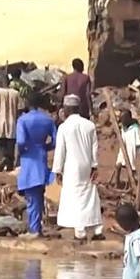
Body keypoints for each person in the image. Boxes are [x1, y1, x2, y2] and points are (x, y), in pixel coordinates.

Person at [52, 94, 104, 241]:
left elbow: (60, 150)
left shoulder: (64, 127)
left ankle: (80, 232)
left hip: (72, 166)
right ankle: (97, 229)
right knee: (90, 195)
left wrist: (57, 170)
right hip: (87, 164)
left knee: (75, 197)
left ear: (67, 109)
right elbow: (95, 148)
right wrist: (94, 166)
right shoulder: (89, 125)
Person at [16, 92, 57, 238]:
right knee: (38, 195)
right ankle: (36, 227)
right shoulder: (47, 119)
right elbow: (55, 140)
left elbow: (20, 141)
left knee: (32, 197)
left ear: (28, 104)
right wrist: (44, 147)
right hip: (41, 157)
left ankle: (34, 230)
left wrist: (23, 150)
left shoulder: (23, 120)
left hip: (29, 159)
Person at [0, 76, 23, 172]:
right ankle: (9, 165)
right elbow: (21, 107)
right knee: (10, 143)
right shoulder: (16, 93)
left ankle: (5, 157)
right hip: (12, 121)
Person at [115, 109, 140, 187]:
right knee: (118, 165)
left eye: (124, 119)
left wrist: (139, 152)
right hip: (123, 148)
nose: (122, 121)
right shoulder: (123, 128)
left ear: (128, 118)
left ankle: (130, 184)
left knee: (130, 167)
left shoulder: (135, 128)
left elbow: (138, 141)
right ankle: (117, 183)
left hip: (131, 149)